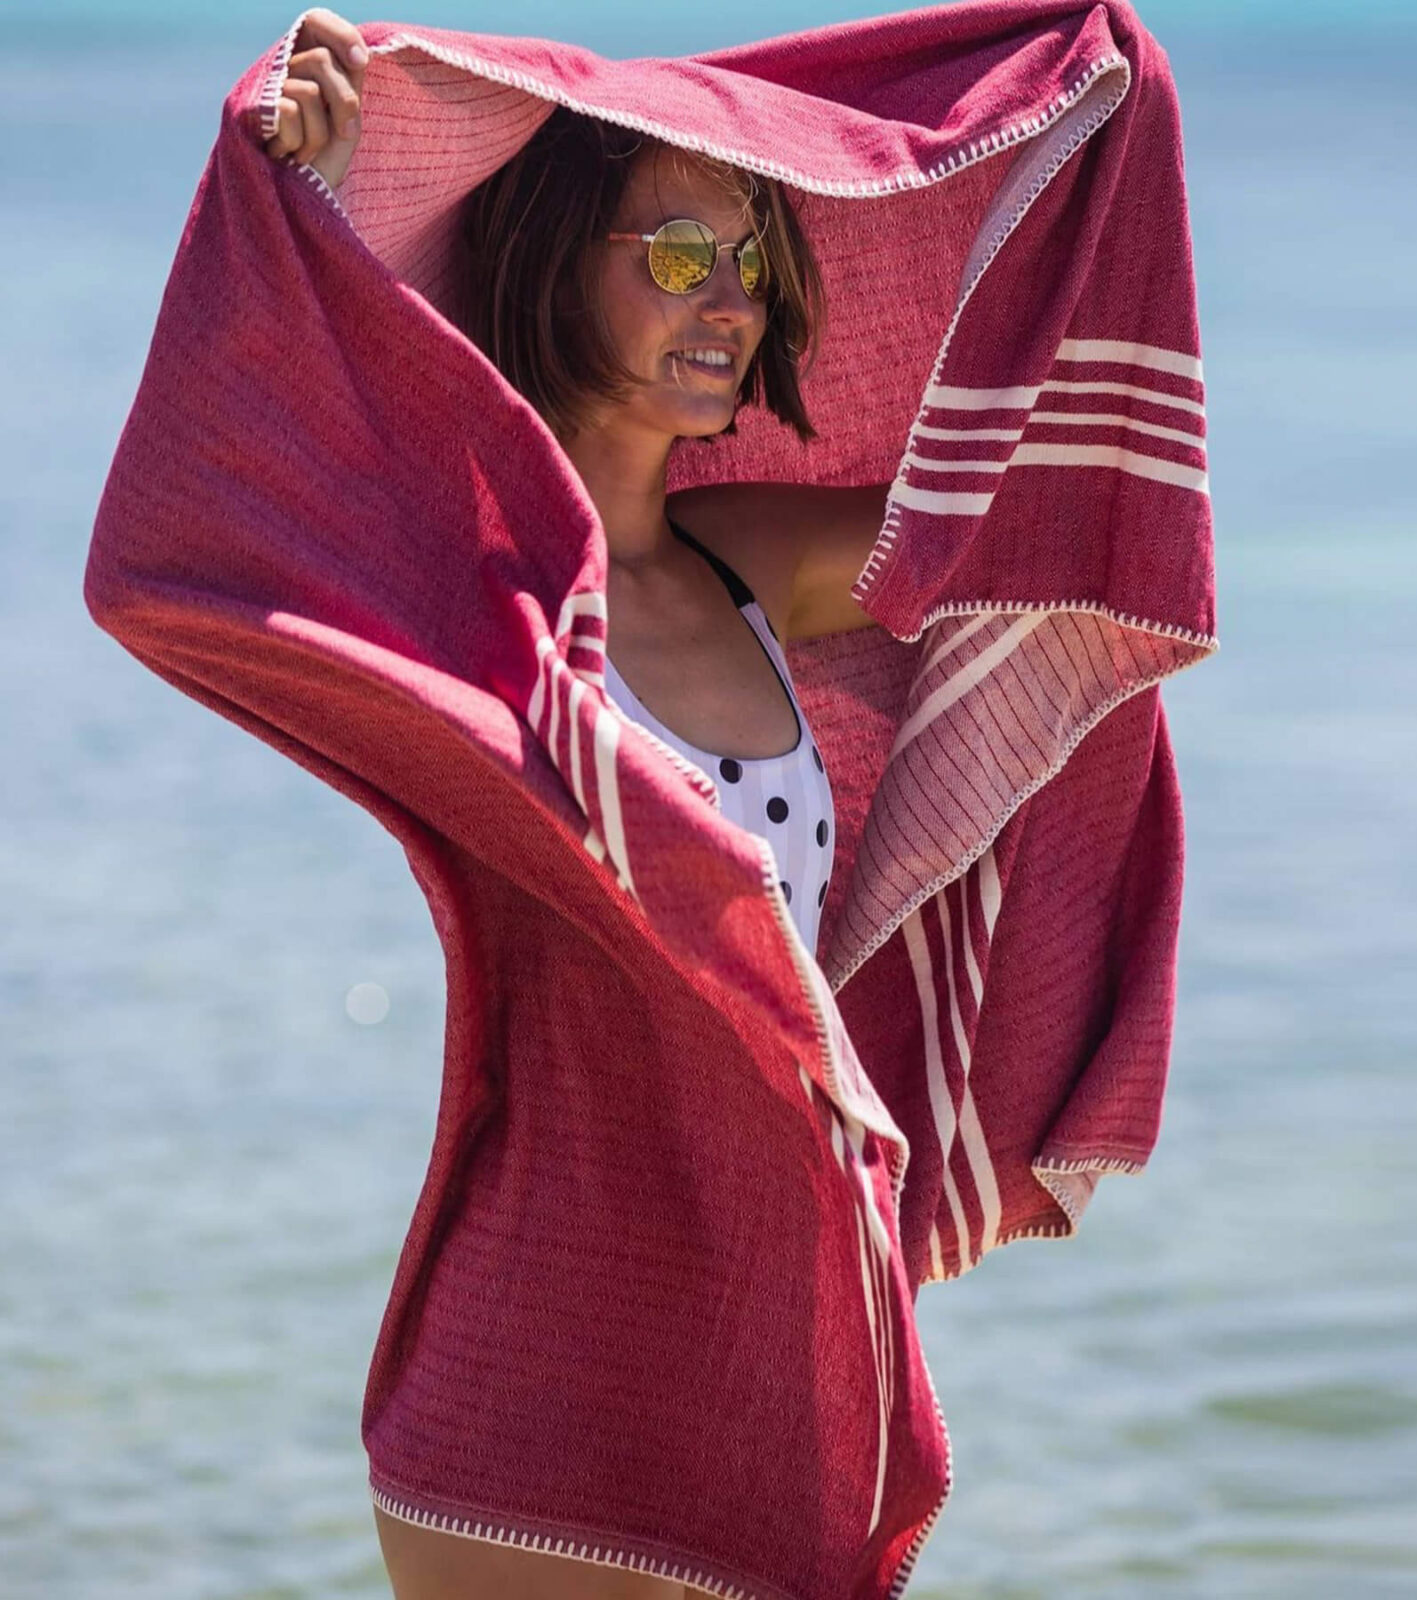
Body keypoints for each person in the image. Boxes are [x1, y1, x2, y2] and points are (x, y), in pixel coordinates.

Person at [262, 11, 891, 1597]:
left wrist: (1079, 121)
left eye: (750, 263)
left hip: (769, 1352)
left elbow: (1041, 518)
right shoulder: (481, 595)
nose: (729, 303)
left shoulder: (763, 567)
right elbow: (295, 480)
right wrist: (327, 207)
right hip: (537, 1356)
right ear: (554, 258)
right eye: (678, 254)